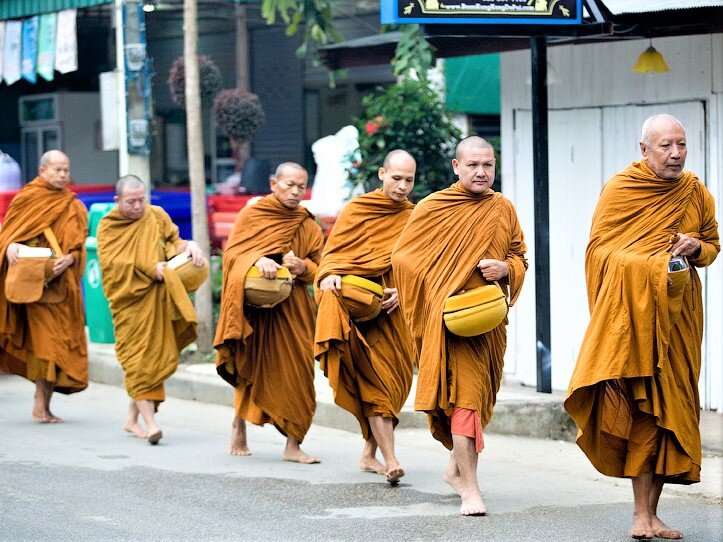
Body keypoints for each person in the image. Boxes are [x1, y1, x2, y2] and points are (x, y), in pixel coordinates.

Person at [564, 114, 719, 540]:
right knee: (642, 412)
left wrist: (696, 246)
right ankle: (638, 515)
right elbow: (600, 254)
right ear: (644, 149)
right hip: (634, 320)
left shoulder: (696, 193)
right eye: (666, 145)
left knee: (674, 411)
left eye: (682, 144)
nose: (675, 154)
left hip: (680, 316)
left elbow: (712, 247)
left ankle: (652, 515)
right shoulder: (620, 190)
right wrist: (650, 265)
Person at [391, 136, 527, 515]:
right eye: (473, 165)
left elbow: (519, 256)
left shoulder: (503, 209)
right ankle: (471, 490)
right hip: (449, 321)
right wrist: (443, 286)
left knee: (478, 401)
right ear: (456, 167)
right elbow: (404, 259)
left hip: (487, 323)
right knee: (464, 403)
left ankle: (455, 469)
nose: (481, 172)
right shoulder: (434, 208)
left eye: (488, 165)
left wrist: (506, 268)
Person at [315, 149, 416, 484]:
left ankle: (369, 453)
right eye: (397, 178)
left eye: (409, 180)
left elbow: (421, 269)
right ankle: (391, 460)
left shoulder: (415, 217)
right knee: (376, 387)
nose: (402, 186)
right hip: (360, 314)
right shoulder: (358, 210)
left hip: (395, 313)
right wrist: (328, 275)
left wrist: (404, 292)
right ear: (382, 175)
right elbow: (333, 254)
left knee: (395, 384)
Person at [215, 162, 324, 463]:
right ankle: (239, 424)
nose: (295, 191)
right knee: (251, 363)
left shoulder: (308, 224)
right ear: (274, 183)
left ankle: (294, 443)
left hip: (294, 308)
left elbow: (320, 268)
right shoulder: (253, 215)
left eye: (301, 186)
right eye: (289, 184)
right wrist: (257, 259)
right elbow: (233, 255)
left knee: (301, 372)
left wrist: (303, 267)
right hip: (258, 311)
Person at [97, 175, 207, 445]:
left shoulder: (155, 215)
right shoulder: (108, 227)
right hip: (130, 303)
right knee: (137, 361)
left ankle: (132, 419)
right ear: (117, 201)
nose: (137, 206)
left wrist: (190, 246)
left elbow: (173, 243)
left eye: (141, 200)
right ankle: (151, 423)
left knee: (151, 360)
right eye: (131, 202)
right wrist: (150, 268)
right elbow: (113, 265)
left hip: (158, 299)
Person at [0, 150, 88, 422]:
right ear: (42, 171)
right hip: (34, 288)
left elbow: (79, 246)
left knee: (60, 345)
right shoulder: (28, 198)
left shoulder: (73, 205)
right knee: (46, 346)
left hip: (63, 286)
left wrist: (71, 258)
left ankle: (44, 404)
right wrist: (11, 246)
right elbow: (8, 237)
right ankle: (41, 405)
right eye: (57, 170)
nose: (63, 175)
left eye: (66, 170)